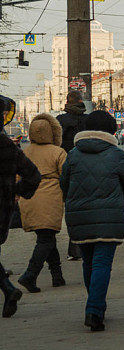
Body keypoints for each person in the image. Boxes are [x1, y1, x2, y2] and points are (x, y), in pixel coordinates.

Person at [60, 110, 124, 332]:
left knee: (88, 262)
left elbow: (64, 184)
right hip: (108, 218)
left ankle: (96, 306)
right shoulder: (115, 154)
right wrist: (115, 199)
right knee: (102, 263)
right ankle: (94, 309)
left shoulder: (73, 154)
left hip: (79, 216)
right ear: (111, 130)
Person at [16, 114, 67, 293]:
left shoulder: (25, 152)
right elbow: (65, 177)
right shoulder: (58, 152)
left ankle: (57, 275)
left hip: (28, 198)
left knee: (46, 236)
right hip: (50, 197)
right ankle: (30, 274)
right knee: (46, 238)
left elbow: (17, 177)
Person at [0, 95, 41, 317]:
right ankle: (8, 291)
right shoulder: (7, 146)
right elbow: (33, 176)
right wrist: (16, 191)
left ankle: (9, 290)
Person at [56, 90, 88, 261]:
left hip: (68, 171)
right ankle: (87, 246)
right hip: (88, 169)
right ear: (81, 101)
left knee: (72, 209)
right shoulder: (88, 120)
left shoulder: (60, 121)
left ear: (67, 102)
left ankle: (74, 248)